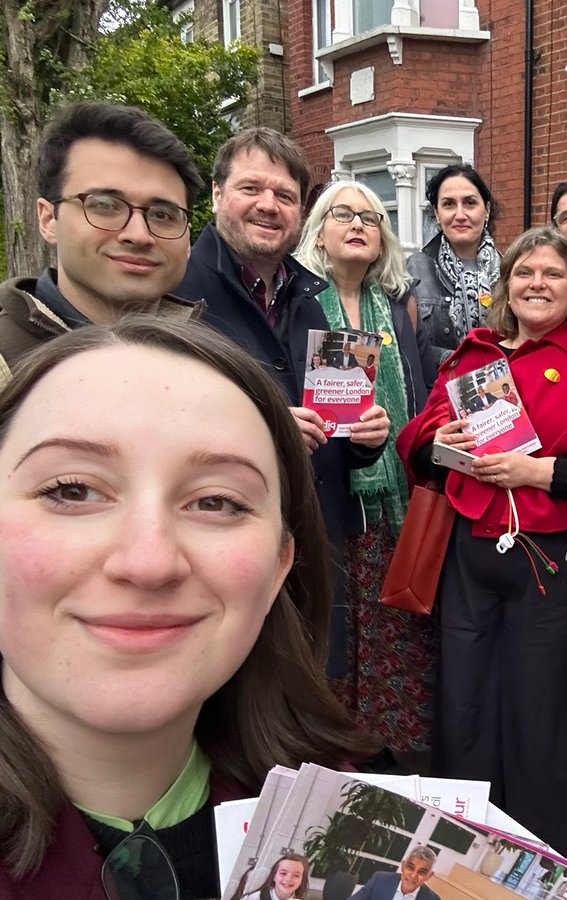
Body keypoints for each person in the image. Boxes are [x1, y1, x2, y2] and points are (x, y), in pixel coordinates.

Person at [0, 316, 371, 897]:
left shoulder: (360, 841)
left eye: (218, 501)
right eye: (72, 490)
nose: (149, 562)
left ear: (280, 564)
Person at [398, 226, 567, 867]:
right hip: (468, 555)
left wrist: (539, 473)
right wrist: (439, 435)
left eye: (553, 274)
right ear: (505, 286)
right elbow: (413, 446)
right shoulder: (472, 358)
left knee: (545, 703)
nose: (537, 284)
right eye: (524, 272)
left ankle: (555, 847)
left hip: (550, 555)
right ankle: (468, 838)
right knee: (467, 698)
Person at [177, 129, 390, 683]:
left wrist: (366, 440)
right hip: (216, 550)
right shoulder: (174, 294)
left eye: (285, 195)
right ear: (218, 194)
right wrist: (262, 432)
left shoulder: (308, 301)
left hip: (312, 546)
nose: (269, 206)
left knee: (309, 694)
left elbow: (329, 436)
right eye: (252, 188)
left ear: (300, 212)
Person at [293, 179, 441, 760]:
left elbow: (424, 390)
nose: (357, 224)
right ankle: (334, 743)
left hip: (390, 503)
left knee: (390, 626)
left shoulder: (398, 308)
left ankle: (387, 744)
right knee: (331, 627)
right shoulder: (299, 304)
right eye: (342, 214)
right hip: (327, 497)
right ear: (320, 233)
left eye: (370, 217)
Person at [0, 100, 204, 383]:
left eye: (162, 214)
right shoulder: (8, 371)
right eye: (105, 205)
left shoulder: (207, 362)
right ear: (48, 219)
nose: (139, 235)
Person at [406, 164, 501, 360]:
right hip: (436, 387)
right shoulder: (412, 271)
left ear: (487, 210)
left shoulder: (512, 271)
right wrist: (460, 362)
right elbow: (406, 345)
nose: (460, 215)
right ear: (437, 213)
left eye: (470, 203)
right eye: (449, 204)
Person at [349, 846, 439, 900]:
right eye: (410, 868)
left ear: (429, 876)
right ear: (403, 866)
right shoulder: (380, 880)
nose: (413, 875)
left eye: (421, 872)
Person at [243, 854, 310, 899]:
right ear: (274, 876)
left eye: (296, 875)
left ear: (302, 880)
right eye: (283, 873)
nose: (288, 879)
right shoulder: (255, 898)